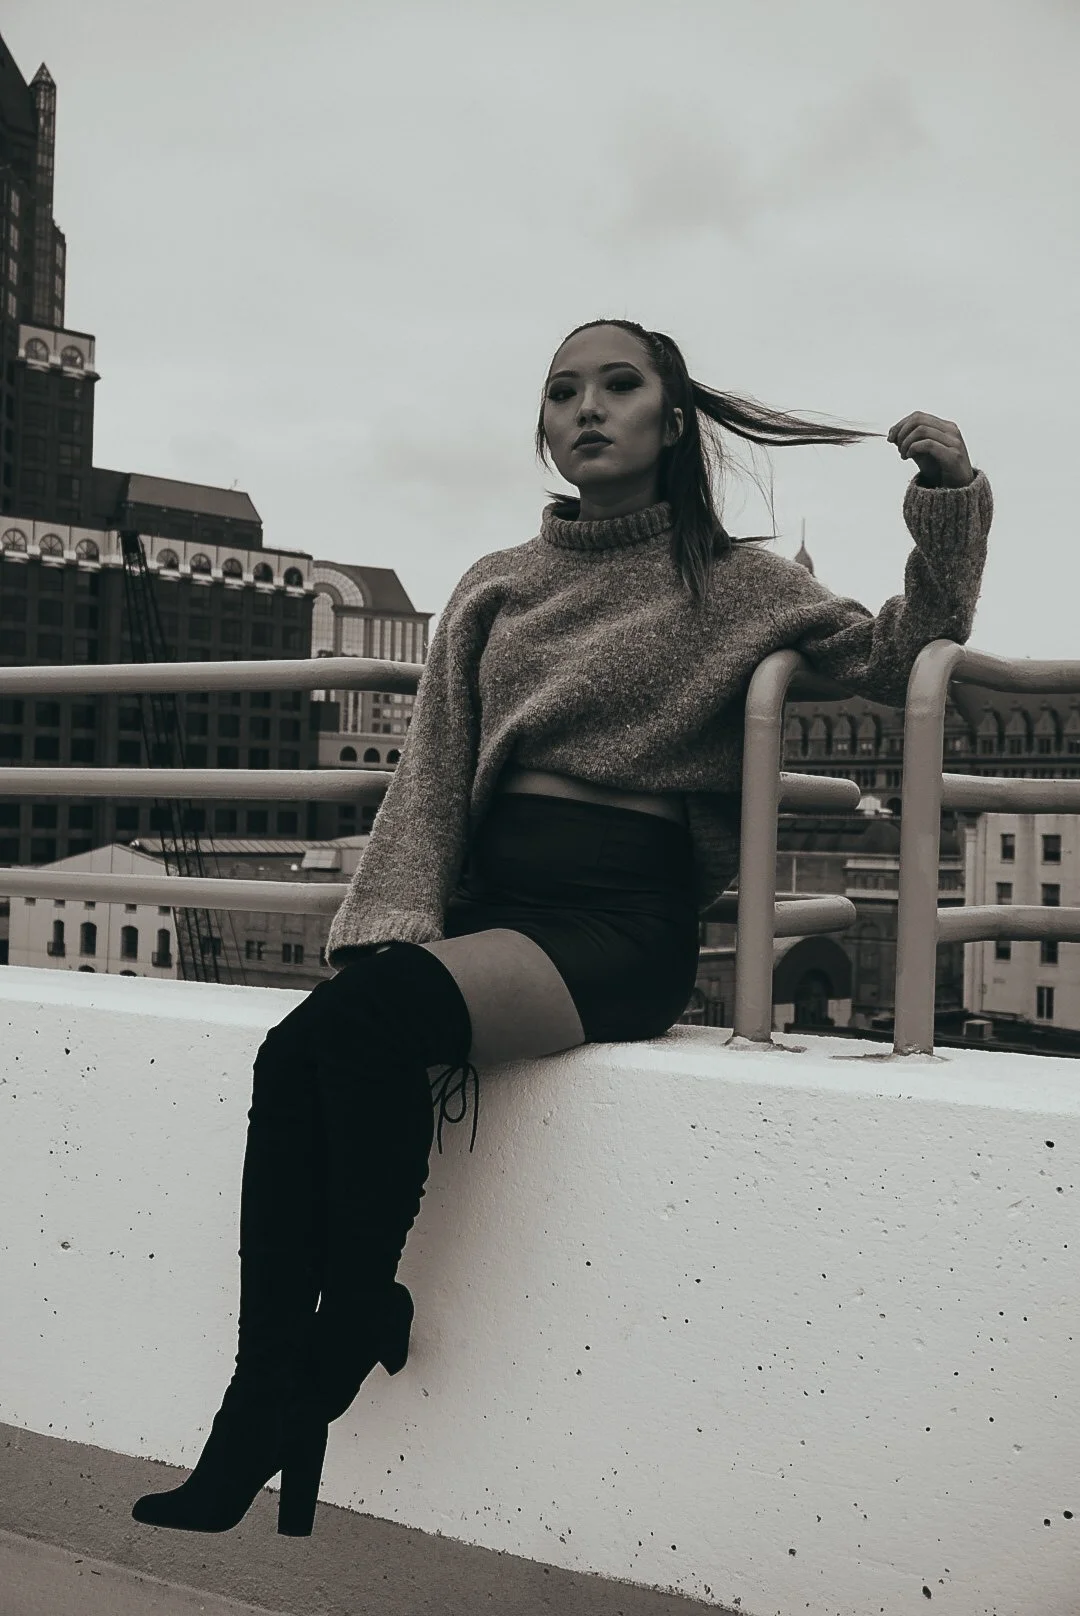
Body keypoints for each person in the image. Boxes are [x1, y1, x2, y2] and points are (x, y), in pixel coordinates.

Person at [131, 317, 993, 1536]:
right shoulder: (498, 580)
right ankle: (284, 1375)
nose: (586, 407)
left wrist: (949, 497)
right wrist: (398, 918)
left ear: (672, 419)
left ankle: (313, 1359)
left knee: (355, 1037)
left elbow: (901, 654)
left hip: (617, 919)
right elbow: (433, 771)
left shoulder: (740, 584)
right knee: (296, 1052)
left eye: (617, 385)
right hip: (495, 904)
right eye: (561, 390)